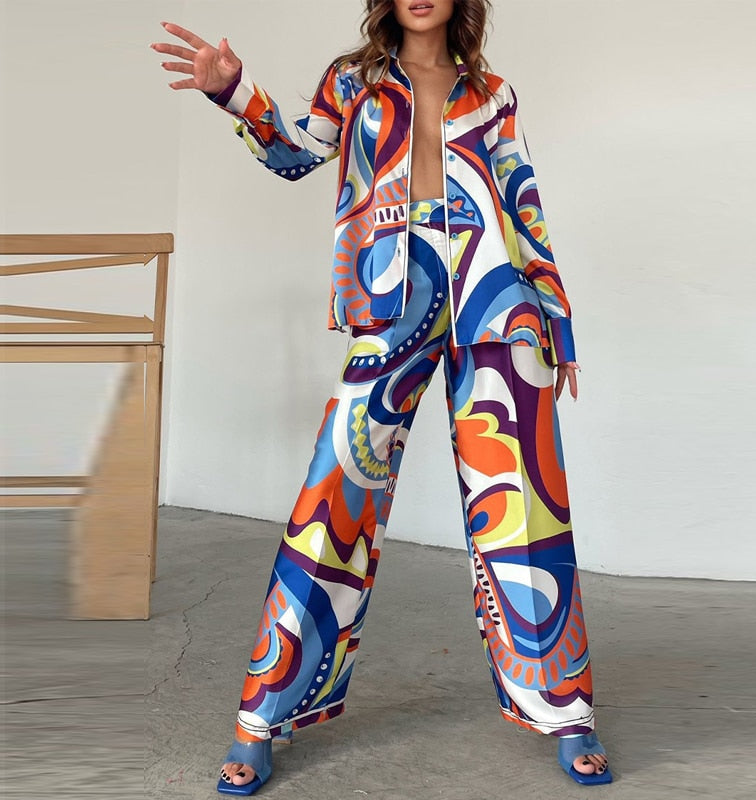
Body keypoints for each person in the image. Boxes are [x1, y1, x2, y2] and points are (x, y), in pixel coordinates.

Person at [153, 0, 612, 794]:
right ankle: (262, 717)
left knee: (526, 504)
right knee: (334, 496)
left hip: (497, 303)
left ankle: (566, 713)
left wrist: (556, 323)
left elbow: (524, 205)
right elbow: (295, 153)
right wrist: (233, 90)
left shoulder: (493, 93)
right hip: (392, 297)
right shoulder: (353, 80)